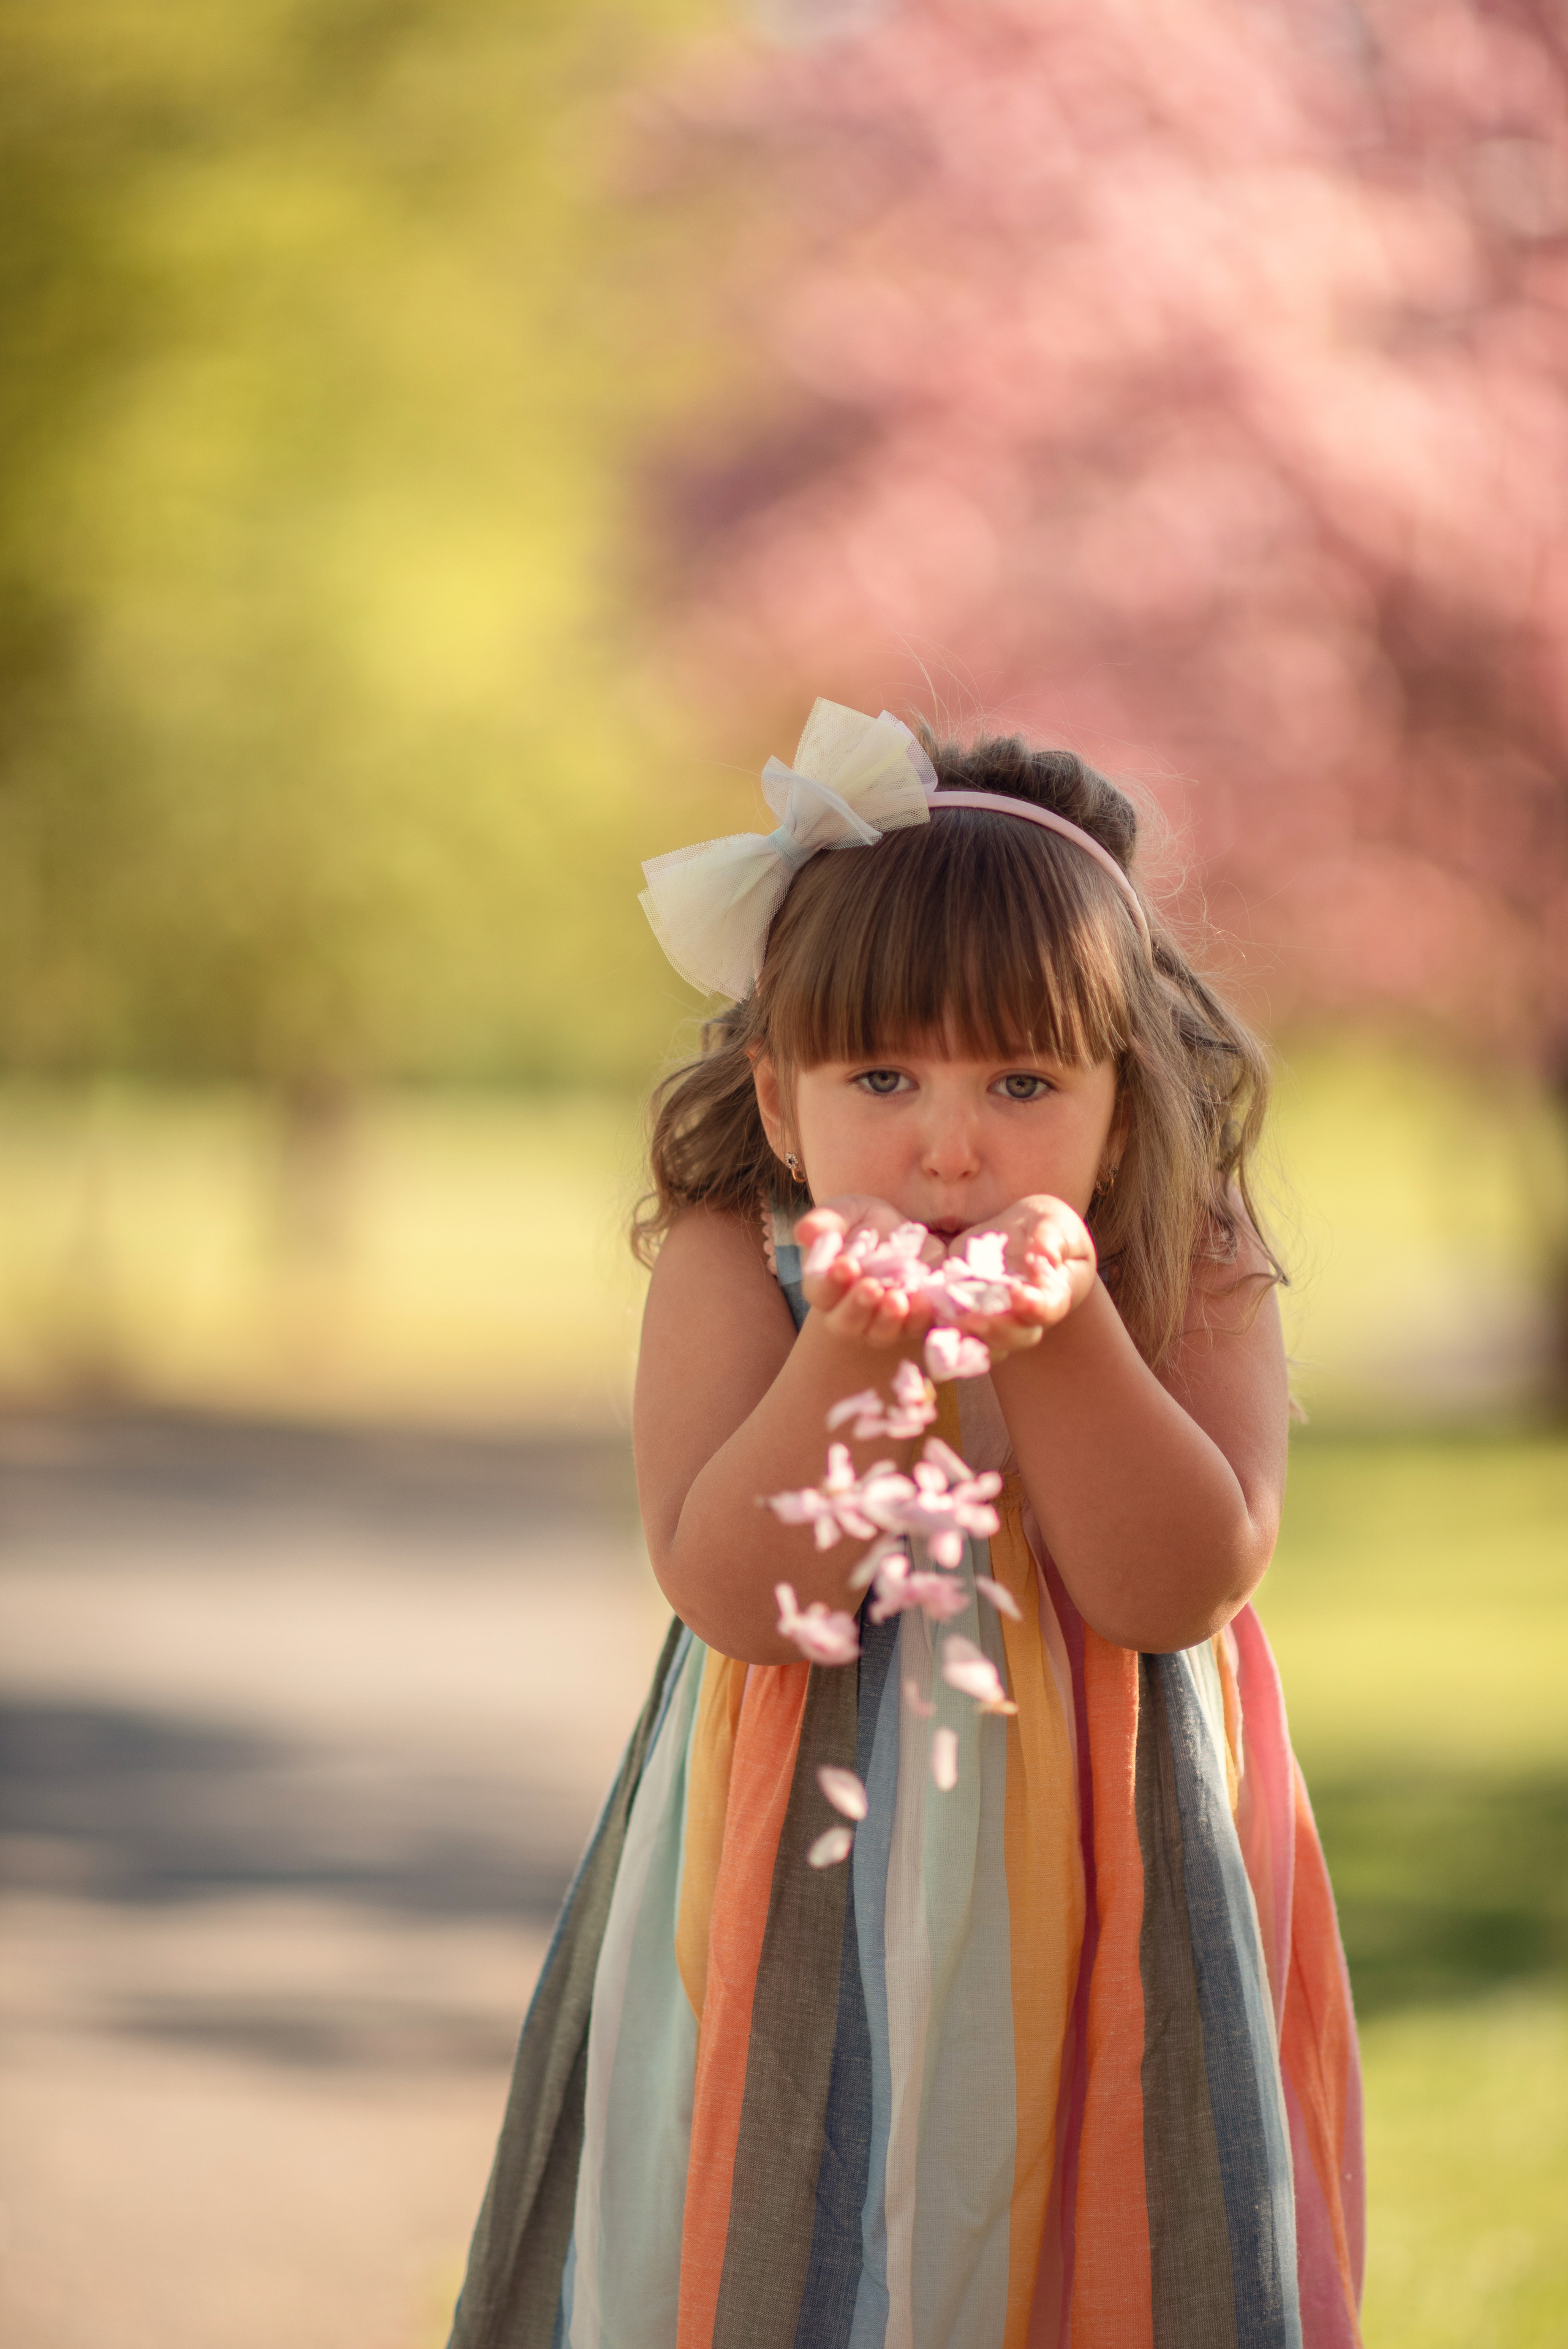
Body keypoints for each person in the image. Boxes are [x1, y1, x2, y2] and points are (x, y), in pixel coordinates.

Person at [449, 703, 1364, 2349]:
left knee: (1102, 2233)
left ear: (1124, 1098)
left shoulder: (1183, 1253)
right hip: (805, 1854)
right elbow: (735, 1590)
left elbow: (1173, 1590)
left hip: (1117, 1872)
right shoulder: (745, 1251)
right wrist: (851, 1352)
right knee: (791, 2222)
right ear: (781, 1100)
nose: (950, 1141)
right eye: (883, 1076)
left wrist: (1064, 1332)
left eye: (1024, 1079)